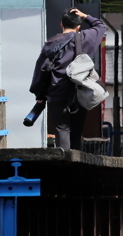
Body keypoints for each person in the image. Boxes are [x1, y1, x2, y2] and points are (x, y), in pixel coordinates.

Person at [29, 9, 107, 150]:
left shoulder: (51, 43)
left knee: (62, 129)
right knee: (76, 132)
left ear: (61, 25)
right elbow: (101, 26)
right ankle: (75, 165)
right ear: (78, 27)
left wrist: (40, 93)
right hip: (80, 92)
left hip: (56, 92)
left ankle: (64, 162)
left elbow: (41, 69)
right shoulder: (86, 37)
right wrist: (84, 16)